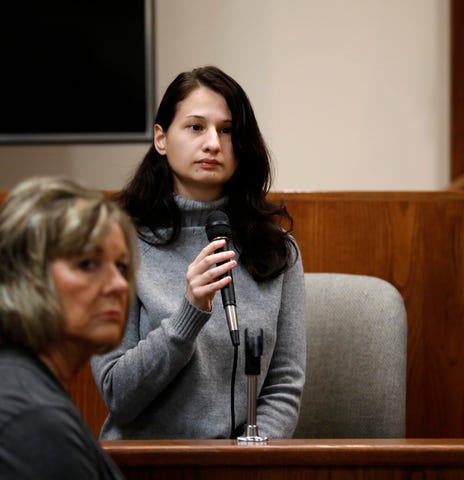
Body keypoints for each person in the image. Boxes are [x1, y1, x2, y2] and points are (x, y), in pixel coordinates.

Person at [91, 65, 306, 440]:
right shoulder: (117, 245)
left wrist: (244, 462)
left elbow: (284, 386)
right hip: (144, 464)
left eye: (226, 130)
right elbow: (117, 393)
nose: (212, 143)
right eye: (195, 127)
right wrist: (188, 313)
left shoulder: (277, 252)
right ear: (161, 138)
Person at [0, 176, 138, 479]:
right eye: (88, 264)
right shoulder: (30, 420)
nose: (119, 284)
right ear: (23, 274)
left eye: (122, 267)